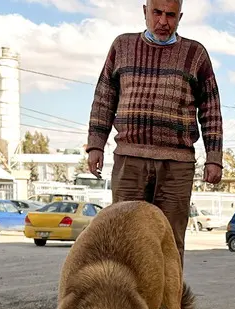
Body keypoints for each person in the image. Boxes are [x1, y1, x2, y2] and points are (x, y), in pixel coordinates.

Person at [85, 0, 223, 263]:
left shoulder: (196, 54)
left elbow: (211, 108)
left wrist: (214, 158)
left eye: (170, 15)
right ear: (144, 11)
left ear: (180, 16)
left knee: (169, 244)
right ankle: (127, 304)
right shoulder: (121, 46)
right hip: (129, 161)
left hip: (176, 166)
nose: (163, 21)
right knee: (123, 239)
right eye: (157, 13)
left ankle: (169, 305)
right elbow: (104, 98)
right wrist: (95, 145)